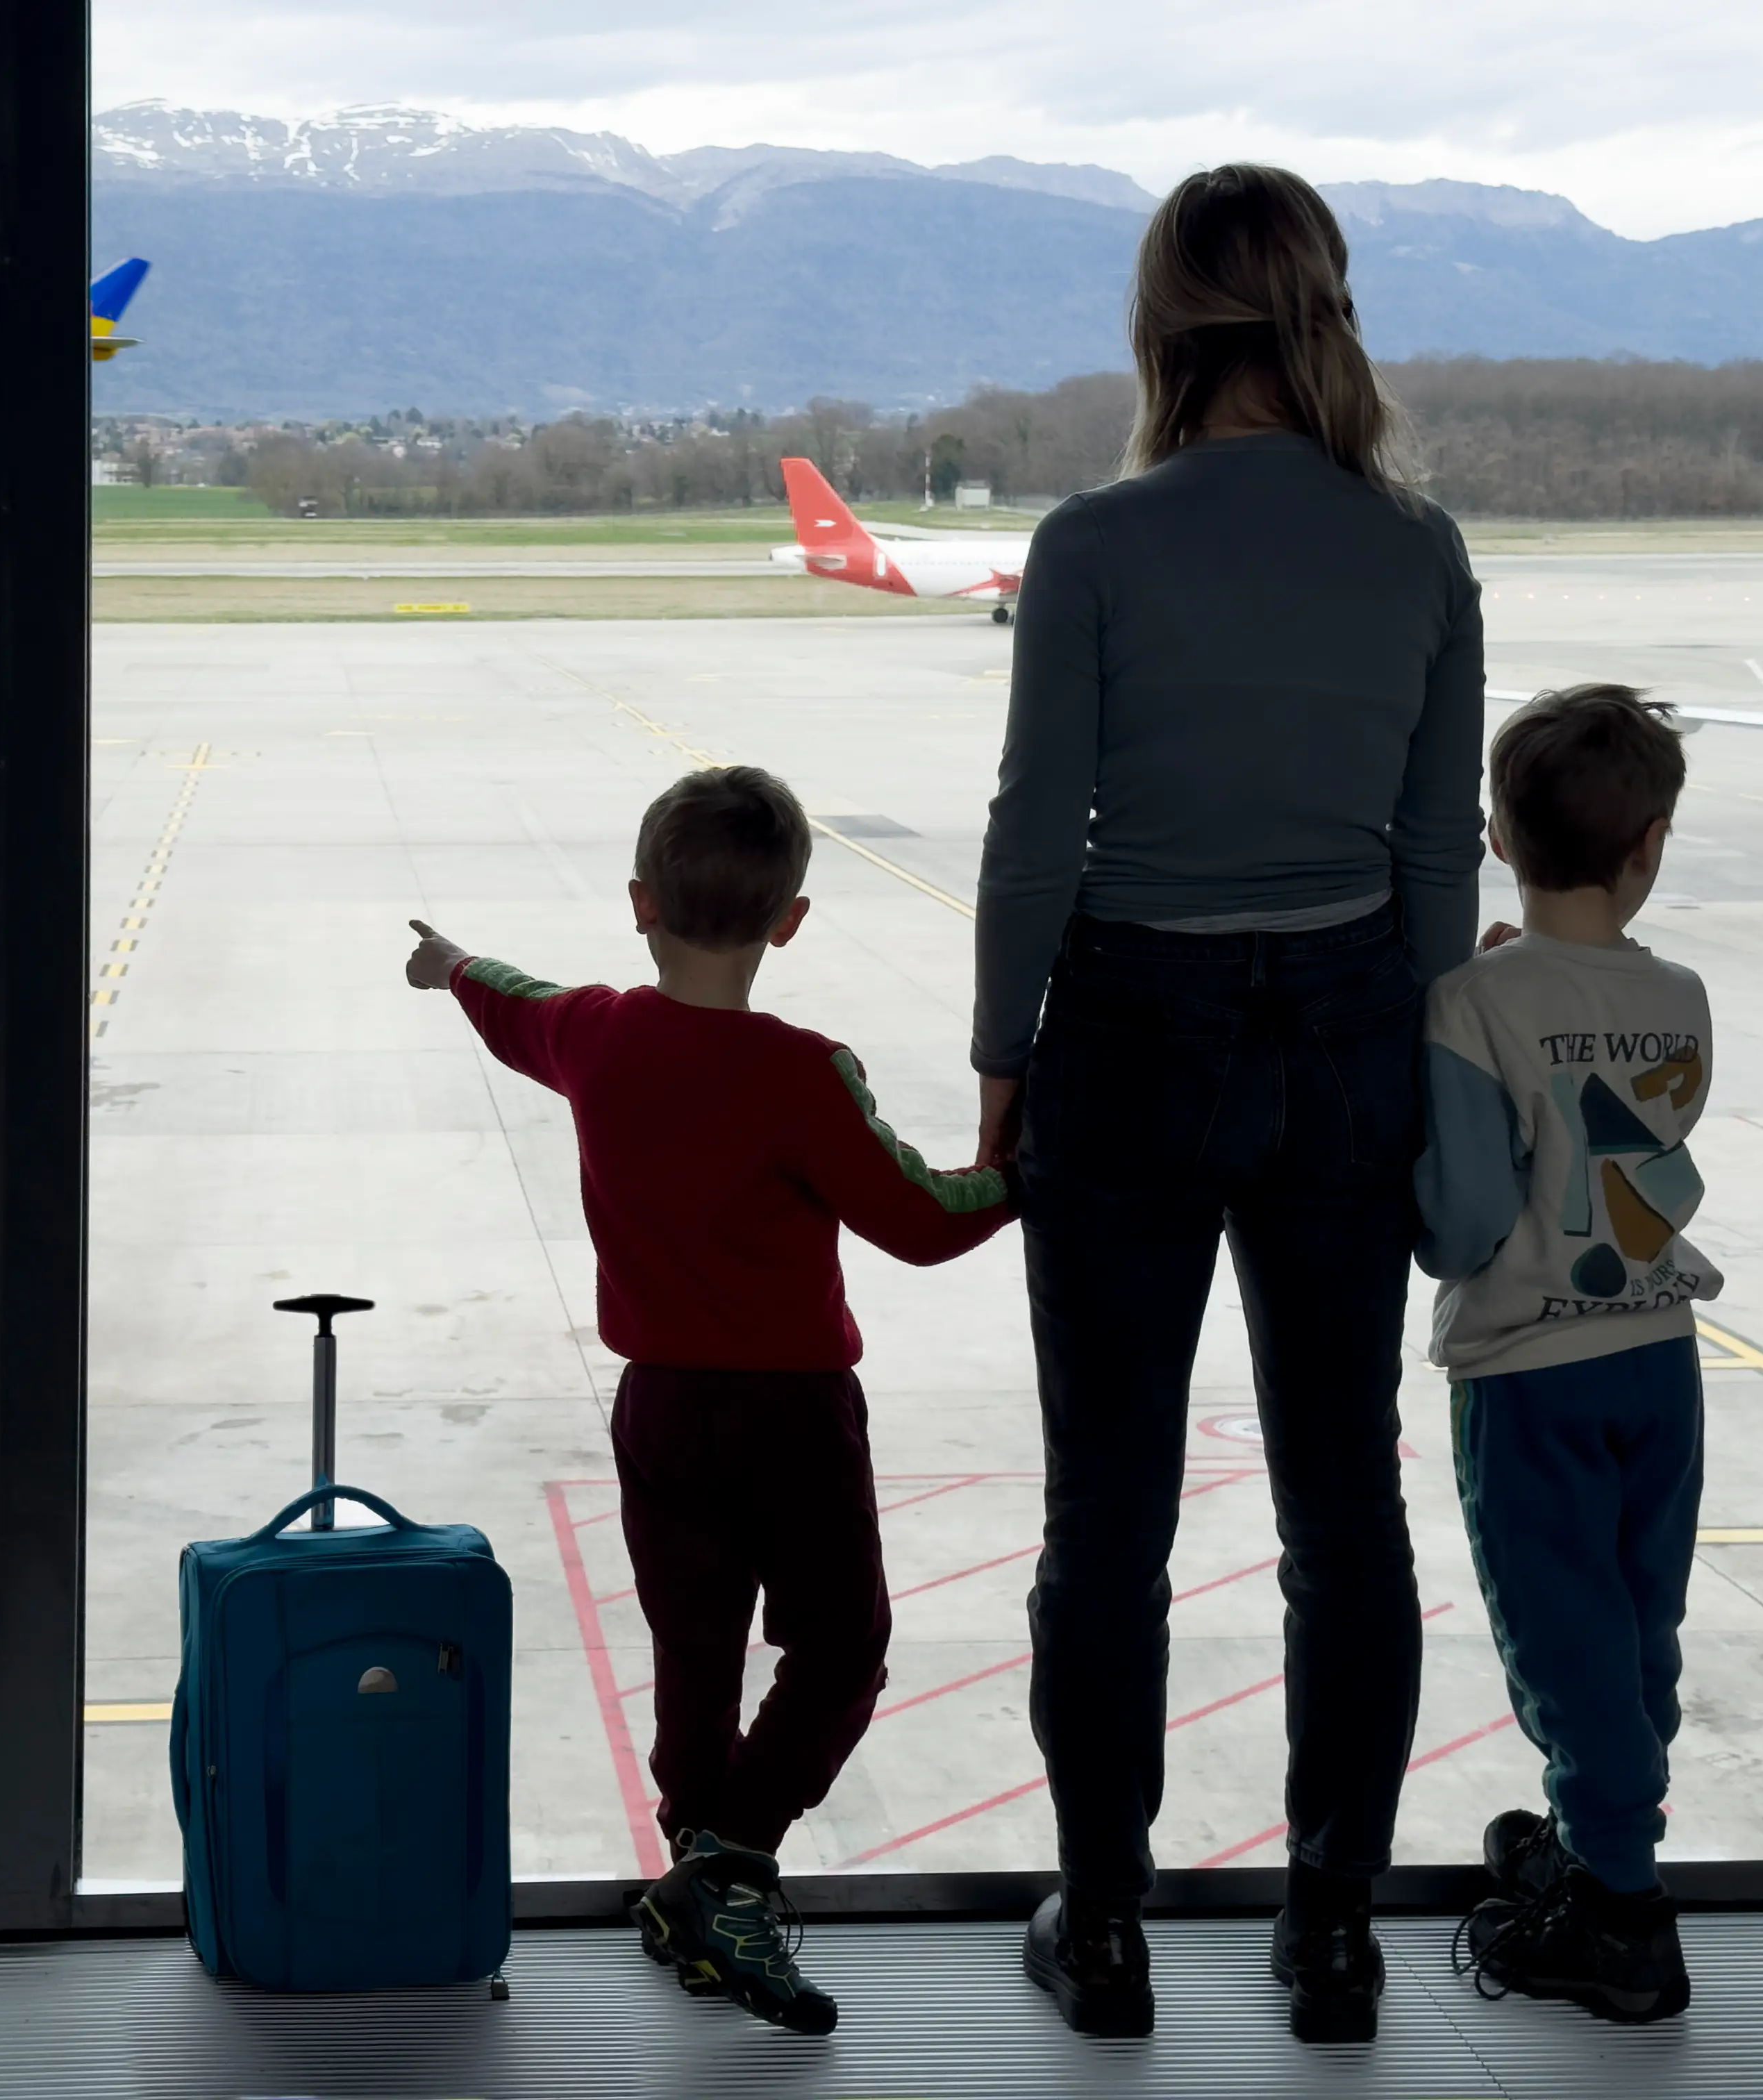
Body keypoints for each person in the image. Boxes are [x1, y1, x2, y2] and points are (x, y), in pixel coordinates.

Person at [970, 164, 1485, 2044]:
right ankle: (1332, 1928)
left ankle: (1103, 1922)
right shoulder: (1416, 547)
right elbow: (1440, 855)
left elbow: (1039, 833)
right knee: (1347, 1505)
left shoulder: (1098, 542)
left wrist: (1002, 1057)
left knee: (1106, 1515)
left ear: (1161, 324)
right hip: (1353, 1028)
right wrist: (1429, 1081)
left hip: (1131, 1029)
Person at [403, 764, 1017, 2037]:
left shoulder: (596, 1034)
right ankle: (729, 1869)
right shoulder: (803, 1072)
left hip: (661, 1411)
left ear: (639, 903)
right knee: (840, 1648)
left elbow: (512, 1002)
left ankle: (697, 1872)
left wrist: (450, 963)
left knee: (697, 1650)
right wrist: (1022, 1170)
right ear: (790, 920)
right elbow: (920, 1219)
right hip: (791, 1417)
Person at [1419, 685, 1710, 2024]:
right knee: (1637, 1622)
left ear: (1495, 833)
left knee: (1561, 1634)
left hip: (1533, 1371)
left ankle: (1620, 1916)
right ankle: (1604, 1835)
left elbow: (1469, 1223)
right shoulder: (1683, 995)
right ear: (1650, 845)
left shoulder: (1471, 1000)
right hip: (1659, 1355)